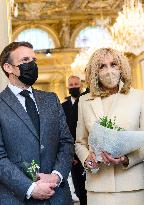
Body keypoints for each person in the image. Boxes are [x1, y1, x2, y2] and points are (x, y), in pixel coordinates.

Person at [0, 41, 74, 205]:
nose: (32, 64)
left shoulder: (51, 99)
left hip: (57, 196)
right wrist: (30, 188)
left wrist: (56, 175)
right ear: (8, 67)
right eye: (25, 60)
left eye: (34, 60)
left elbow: (66, 142)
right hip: (16, 198)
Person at [75, 48, 144, 205]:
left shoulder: (139, 97)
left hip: (132, 186)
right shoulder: (84, 101)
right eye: (102, 66)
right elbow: (80, 142)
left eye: (114, 65)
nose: (109, 71)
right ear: (95, 72)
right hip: (98, 188)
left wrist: (126, 159)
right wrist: (87, 159)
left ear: (121, 68)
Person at [62, 75, 87, 205]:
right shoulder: (63, 106)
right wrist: (69, 154)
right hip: (73, 157)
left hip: (90, 152)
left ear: (81, 85)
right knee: (79, 189)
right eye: (71, 85)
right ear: (67, 87)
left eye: (76, 84)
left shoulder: (88, 101)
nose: (74, 87)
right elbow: (62, 132)